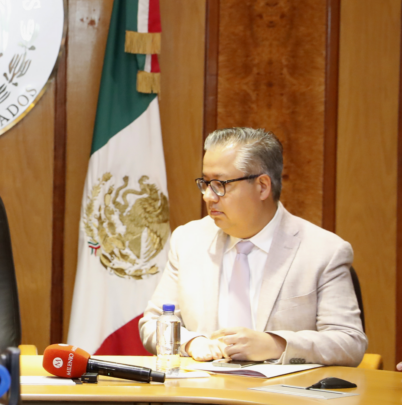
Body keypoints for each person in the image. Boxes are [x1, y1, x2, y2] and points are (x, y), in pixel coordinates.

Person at [140, 127, 367, 366]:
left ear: (262, 186)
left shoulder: (324, 251)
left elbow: (349, 342)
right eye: (205, 183)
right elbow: (153, 323)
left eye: (219, 184)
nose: (208, 196)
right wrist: (191, 343)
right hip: (205, 386)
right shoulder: (188, 240)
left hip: (283, 389)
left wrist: (275, 345)